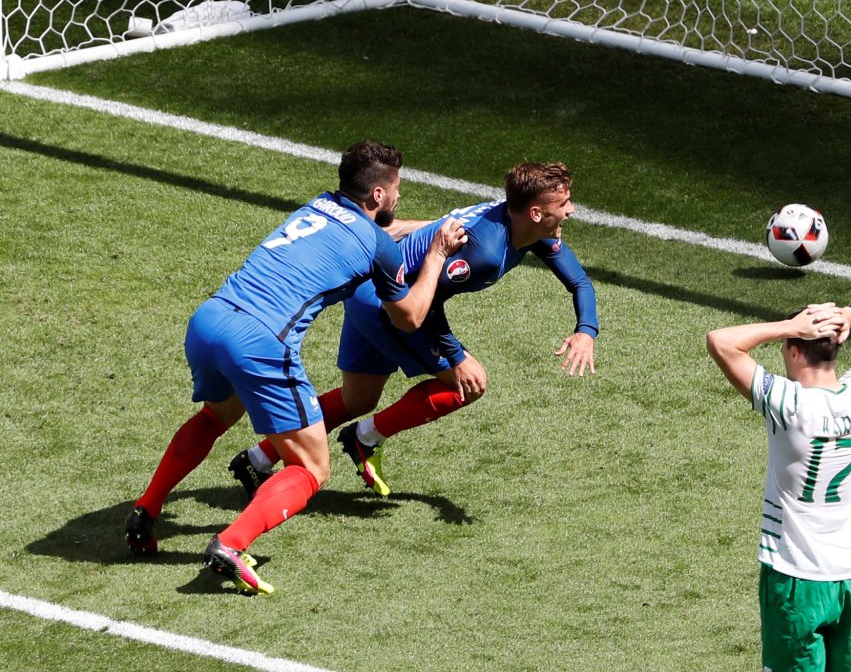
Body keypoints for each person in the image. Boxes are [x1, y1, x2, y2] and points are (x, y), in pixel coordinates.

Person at [124, 141, 467, 595]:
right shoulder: (378, 245)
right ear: (378, 195)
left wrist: (434, 226)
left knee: (217, 416)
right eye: (397, 188)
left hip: (210, 320)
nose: (399, 197)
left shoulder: (320, 205)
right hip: (260, 342)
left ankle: (146, 510)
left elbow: (386, 231)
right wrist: (438, 253)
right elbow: (410, 317)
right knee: (311, 467)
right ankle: (230, 544)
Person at [229, 161, 598, 500]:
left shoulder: (526, 225)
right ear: (536, 212)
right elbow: (428, 304)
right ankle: (364, 438)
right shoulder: (483, 252)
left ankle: (258, 458)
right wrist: (456, 357)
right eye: (565, 203)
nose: (571, 209)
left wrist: (586, 331)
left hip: (367, 293)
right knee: (469, 383)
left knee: (357, 399)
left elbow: (579, 281)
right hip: (388, 306)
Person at [706, 303, 851, 672]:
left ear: (794, 348)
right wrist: (850, 317)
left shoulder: (790, 405)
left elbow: (721, 341)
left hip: (795, 579)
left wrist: (787, 325)